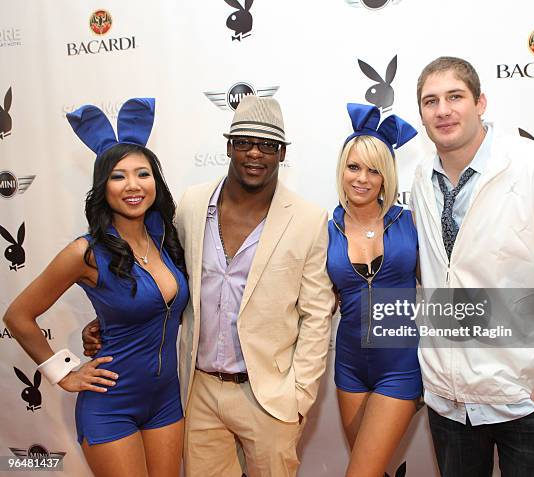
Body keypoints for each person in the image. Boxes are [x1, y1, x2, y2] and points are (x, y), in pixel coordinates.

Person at [84, 95, 335, 477]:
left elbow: (317, 314)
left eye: (267, 145)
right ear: (228, 146)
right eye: (245, 142)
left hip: (268, 396)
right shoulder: (191, 204)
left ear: (282, 153)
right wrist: (111, 321)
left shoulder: (308, 218)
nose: (255, 153)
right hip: (197, 390)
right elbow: (161, 277)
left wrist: (298, 397)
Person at [410, 56, 534, 476]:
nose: (442, 110)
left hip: (526, 399)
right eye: (430, 101)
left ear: (481, 102)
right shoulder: (421, 178)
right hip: (449, 402)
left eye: (454, 96)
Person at [3, 98, 189, 477]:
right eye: (118, 176)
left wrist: (101, 326)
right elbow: (18, 316)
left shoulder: (165, 237)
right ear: (102, 187)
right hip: (111, 404)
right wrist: (64, 372)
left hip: (167, 400)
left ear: (156, 180)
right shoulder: (85, 251)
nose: (133, 185)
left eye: (143, 173)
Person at [327, 103, 421, 476]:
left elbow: (443, 284)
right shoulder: (326, 228)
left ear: (386, 177)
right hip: (349, 365)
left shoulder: (409, 223)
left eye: (373, 170)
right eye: (354, 167)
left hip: (398, 364)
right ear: (341, 170)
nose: (362, 178)